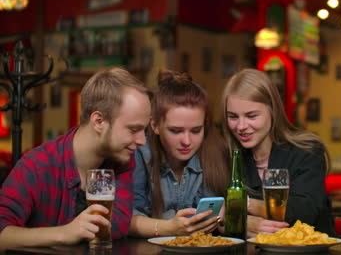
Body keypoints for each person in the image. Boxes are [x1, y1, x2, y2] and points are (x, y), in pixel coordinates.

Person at [0, 68, 151, 251]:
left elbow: (120, 224)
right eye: (134, 130)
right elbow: (2, 235)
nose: (142, 141)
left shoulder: (122, 159)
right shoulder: (37, 166)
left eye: (144, 130)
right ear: (98, 121)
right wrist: (64, 233)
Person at [221, 68, 334, 238]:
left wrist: (243, 206)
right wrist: (234, 223)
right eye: (233, 117)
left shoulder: (307, 150)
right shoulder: (229, 155)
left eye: (251, 116)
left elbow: (303, 213)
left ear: (273, 110)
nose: (241, 126)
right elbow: (214, 215)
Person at [129, 70, 230, 238]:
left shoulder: (214, 152)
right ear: (154, 125)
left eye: (196, 130)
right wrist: (169, 228)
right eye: (176, 131)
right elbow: (125, 219)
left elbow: (210, 219)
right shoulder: (138, 154)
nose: (187, 141)